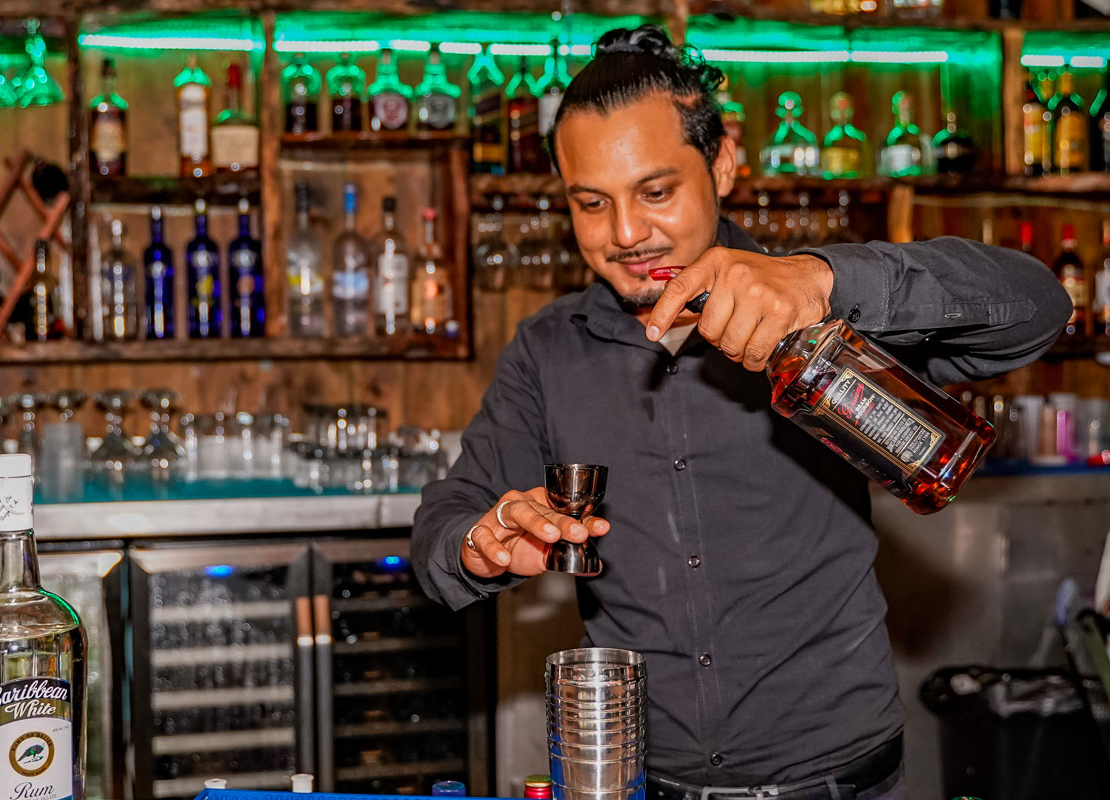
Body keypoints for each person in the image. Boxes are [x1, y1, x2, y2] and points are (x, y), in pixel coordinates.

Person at [409, 25, 1072, 800]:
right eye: (591, 203)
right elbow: (438, 534)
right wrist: (479, 543)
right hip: (646, 784)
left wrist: (824, 280)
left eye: (655, 192)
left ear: (722, 164)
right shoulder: (549, 352)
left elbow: (1038, 307)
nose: (625, 235)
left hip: (841, 785)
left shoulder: (824, 308)